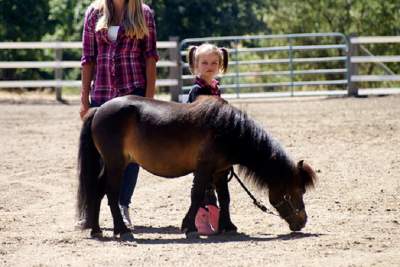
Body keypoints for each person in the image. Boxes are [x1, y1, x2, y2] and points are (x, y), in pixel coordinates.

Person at [79, 0, 158, 227]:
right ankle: (91, 210)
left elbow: (150, 58)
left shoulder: (144, 14)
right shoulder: (94, 13)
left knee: (132, 155)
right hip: (102, 94)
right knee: (95, 155)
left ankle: (123, 205)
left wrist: (149, 100)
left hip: (134, 94)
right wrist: (84, 98)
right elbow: (88, 59)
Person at [186, 43, 229, 235]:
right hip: (198, 144)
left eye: (214, 63)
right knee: (203, 181)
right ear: (196, 66)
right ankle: (200, 216)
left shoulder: (215, 88)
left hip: (213, 144)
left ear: (220, 65)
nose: (209, 66)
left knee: (214, 181)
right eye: (204, 63)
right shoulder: (197, 90)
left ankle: (214, 213)